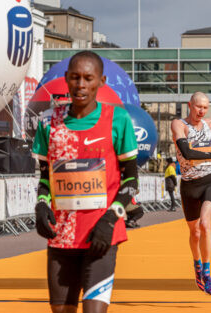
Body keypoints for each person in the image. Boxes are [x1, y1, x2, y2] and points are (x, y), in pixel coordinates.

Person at [31, 51, 140, 313]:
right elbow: (45, 176)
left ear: (101, 81)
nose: (81, 85)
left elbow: (131, 180)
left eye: (88, 79)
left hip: (102, 235)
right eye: (75, 78)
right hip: (62, 235)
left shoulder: (118, 119)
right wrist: (42, 205)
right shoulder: (48, 122)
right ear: (67, 79)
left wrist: (111, 218)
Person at [171, 91, 211, 295]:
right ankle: (196, 265)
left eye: (205, 107)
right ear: (190, 105)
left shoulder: (209, 124)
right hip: (188, 185)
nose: (201, 111)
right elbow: (186, 153)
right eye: (198, 107)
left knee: (205, 224)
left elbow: (210, 149)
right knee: (194, 233)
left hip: (208, 182)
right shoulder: (179, 125)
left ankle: (207, 271)